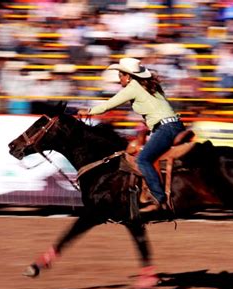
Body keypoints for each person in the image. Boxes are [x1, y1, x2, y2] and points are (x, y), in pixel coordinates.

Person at [77, 57, 185, 212]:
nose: (119, 78)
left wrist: (89, 111)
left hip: (165, 128)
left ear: (128, 76)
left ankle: (158, 197)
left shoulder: (133, 87)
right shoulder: (149, 86)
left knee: (143, 159)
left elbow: (110, 104)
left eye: (120, 75)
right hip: (175, 125)